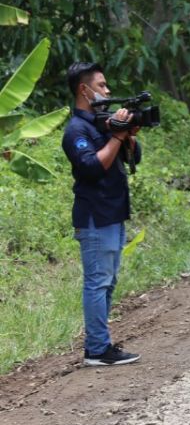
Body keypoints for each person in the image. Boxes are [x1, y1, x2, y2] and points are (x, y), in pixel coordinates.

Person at [62, 62, 143, 366]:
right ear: (84, 90)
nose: (108, 91)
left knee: (107, 282)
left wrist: (129, 134)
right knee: (97, 282)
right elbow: (92, 167)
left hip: (112, 213)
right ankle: (97, 349)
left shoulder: (102, 122)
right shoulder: (77, 130)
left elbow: (134, 157)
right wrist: (117, 137)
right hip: (95, 216)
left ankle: (100, 343)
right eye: (102, 86)